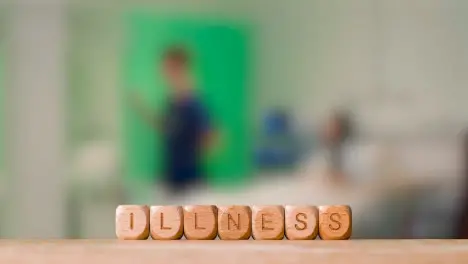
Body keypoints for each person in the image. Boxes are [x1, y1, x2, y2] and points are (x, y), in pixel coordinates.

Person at [131, 46, 216, 195]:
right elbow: (166, 126)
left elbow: (212, 138)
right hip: (171, 180)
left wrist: (193, 152)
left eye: (168, 68)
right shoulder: (172, 102)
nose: (164, 73)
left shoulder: (194, 102)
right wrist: (142, 109)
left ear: (180, 69)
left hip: (190, 184)